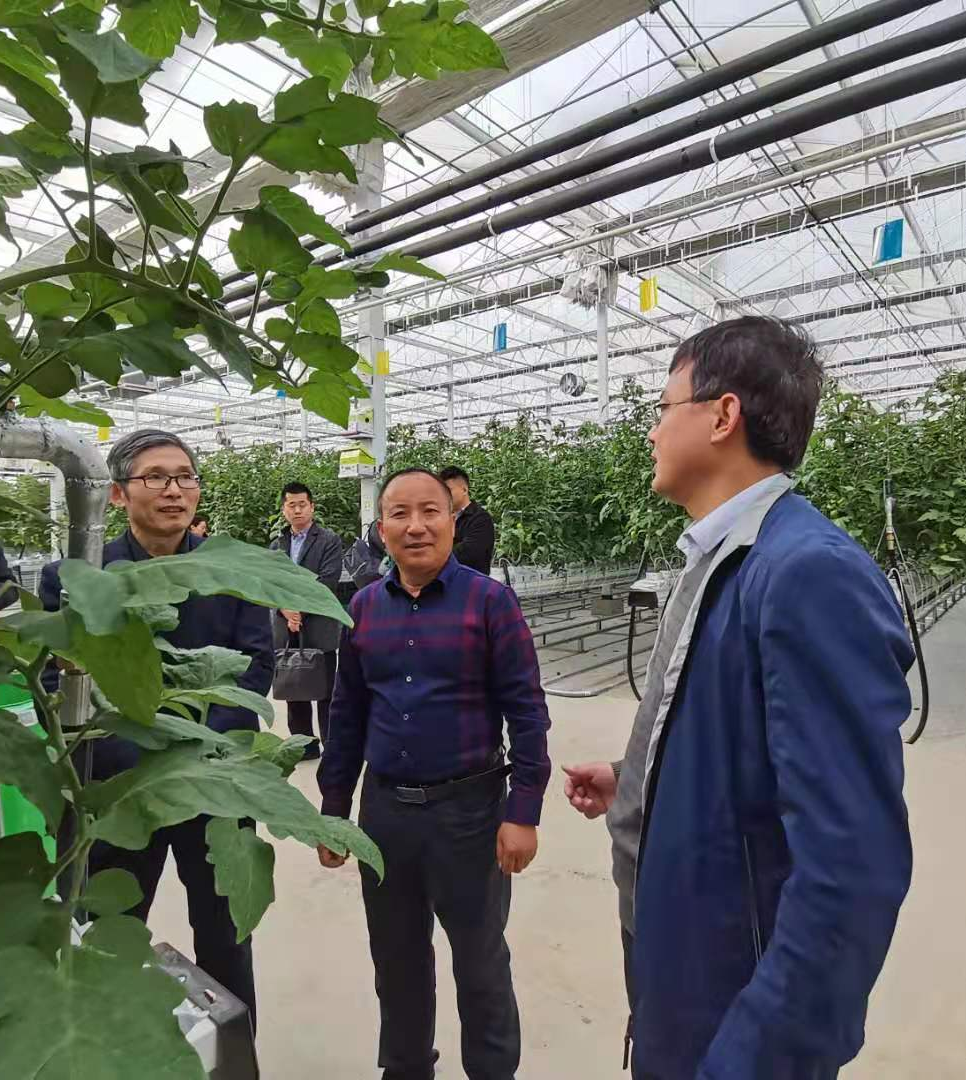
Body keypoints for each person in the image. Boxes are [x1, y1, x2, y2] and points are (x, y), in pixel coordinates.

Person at [563, 317, 914, 1079]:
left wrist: (761, 1056)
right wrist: (641, 783)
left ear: (723, 416)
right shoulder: (728, 555)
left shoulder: (806, 572)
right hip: (684, 964)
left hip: (733, 997)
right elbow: (744, 739)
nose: (652, 431)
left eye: (664, 408)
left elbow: (851, 866)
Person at [316, 467, 551, 1080]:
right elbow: (346, 714)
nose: (415, 526)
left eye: (430, 511)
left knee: (479, 961)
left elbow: (527, 711)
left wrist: (523, 811)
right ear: (380, 528)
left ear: (452, 520)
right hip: (386, 814)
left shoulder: (490, 602)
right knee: (396, 960)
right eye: (400, 513)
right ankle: (406, 1068)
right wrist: (333, 809)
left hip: (469, 813)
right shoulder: (364, 608)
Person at [39, 429, 272, 1024]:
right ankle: (107, 1050)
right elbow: (50, 682)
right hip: (116, 789)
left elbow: (254, 670)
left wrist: (189, 746)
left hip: (212, 785)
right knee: (106, 933)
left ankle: (235, 1052)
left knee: (225, 933)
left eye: (185, 476)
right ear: (118, 494)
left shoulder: (232, 570)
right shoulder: (79, 576)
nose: (175, 490)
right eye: (156, 477)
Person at [269, 481, 343, 759]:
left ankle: (332, 746)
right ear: (284, 509)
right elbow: (269, 583)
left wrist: (299, 610)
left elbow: (327, 580)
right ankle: (304, 746)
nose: (297, 510)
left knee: (326, 692)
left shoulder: (329, 540)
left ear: (312, 507)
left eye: (302, 504)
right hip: (286, 624)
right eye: (292, 505)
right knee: (294, 688)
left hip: (318, 624)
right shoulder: (277, 544)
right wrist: (284, 609)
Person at [439, 465, 495, 575]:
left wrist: (435, 556)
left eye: (448, 490)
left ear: (464, 490)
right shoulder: (442, 518)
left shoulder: (480, 518)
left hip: (472, 582)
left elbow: (468, 553)